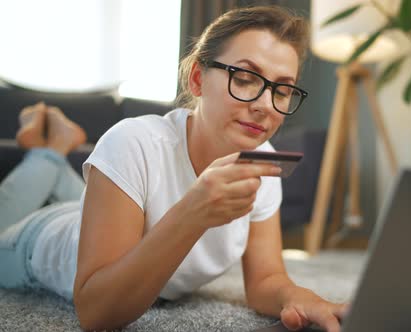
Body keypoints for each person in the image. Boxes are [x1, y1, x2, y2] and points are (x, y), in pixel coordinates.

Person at [0, 6, 349, 332]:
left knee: (90, 206)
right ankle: (48, 152)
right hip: (33, 244)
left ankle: (53, 153)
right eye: (244, 77)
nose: (264, 106)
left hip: (89, 214)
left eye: (283, 89)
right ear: (197, 79)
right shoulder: (133, 142)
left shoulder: (262, 159)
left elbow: (265, 281)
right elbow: (95, 312)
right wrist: (194, 213)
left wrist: (300, 297)